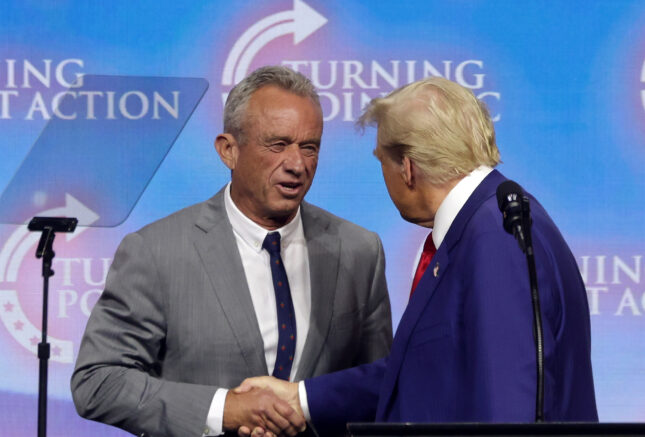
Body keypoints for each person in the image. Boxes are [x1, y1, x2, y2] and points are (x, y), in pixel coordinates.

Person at [238, 76, 598, 432]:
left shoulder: (495, 238)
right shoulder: (485, 225)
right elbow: (420, 369)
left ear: (407, 168)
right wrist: (300, 398)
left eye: (382, 161)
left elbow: (507, 404)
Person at [71, 66, 392, 437]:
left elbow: (381, 389)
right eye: (277, 144)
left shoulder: (359, 251)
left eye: (309, 147)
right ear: (229, 150)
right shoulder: (156, 251)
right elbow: (99, 382)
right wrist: (226, 409)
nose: (297, 164)